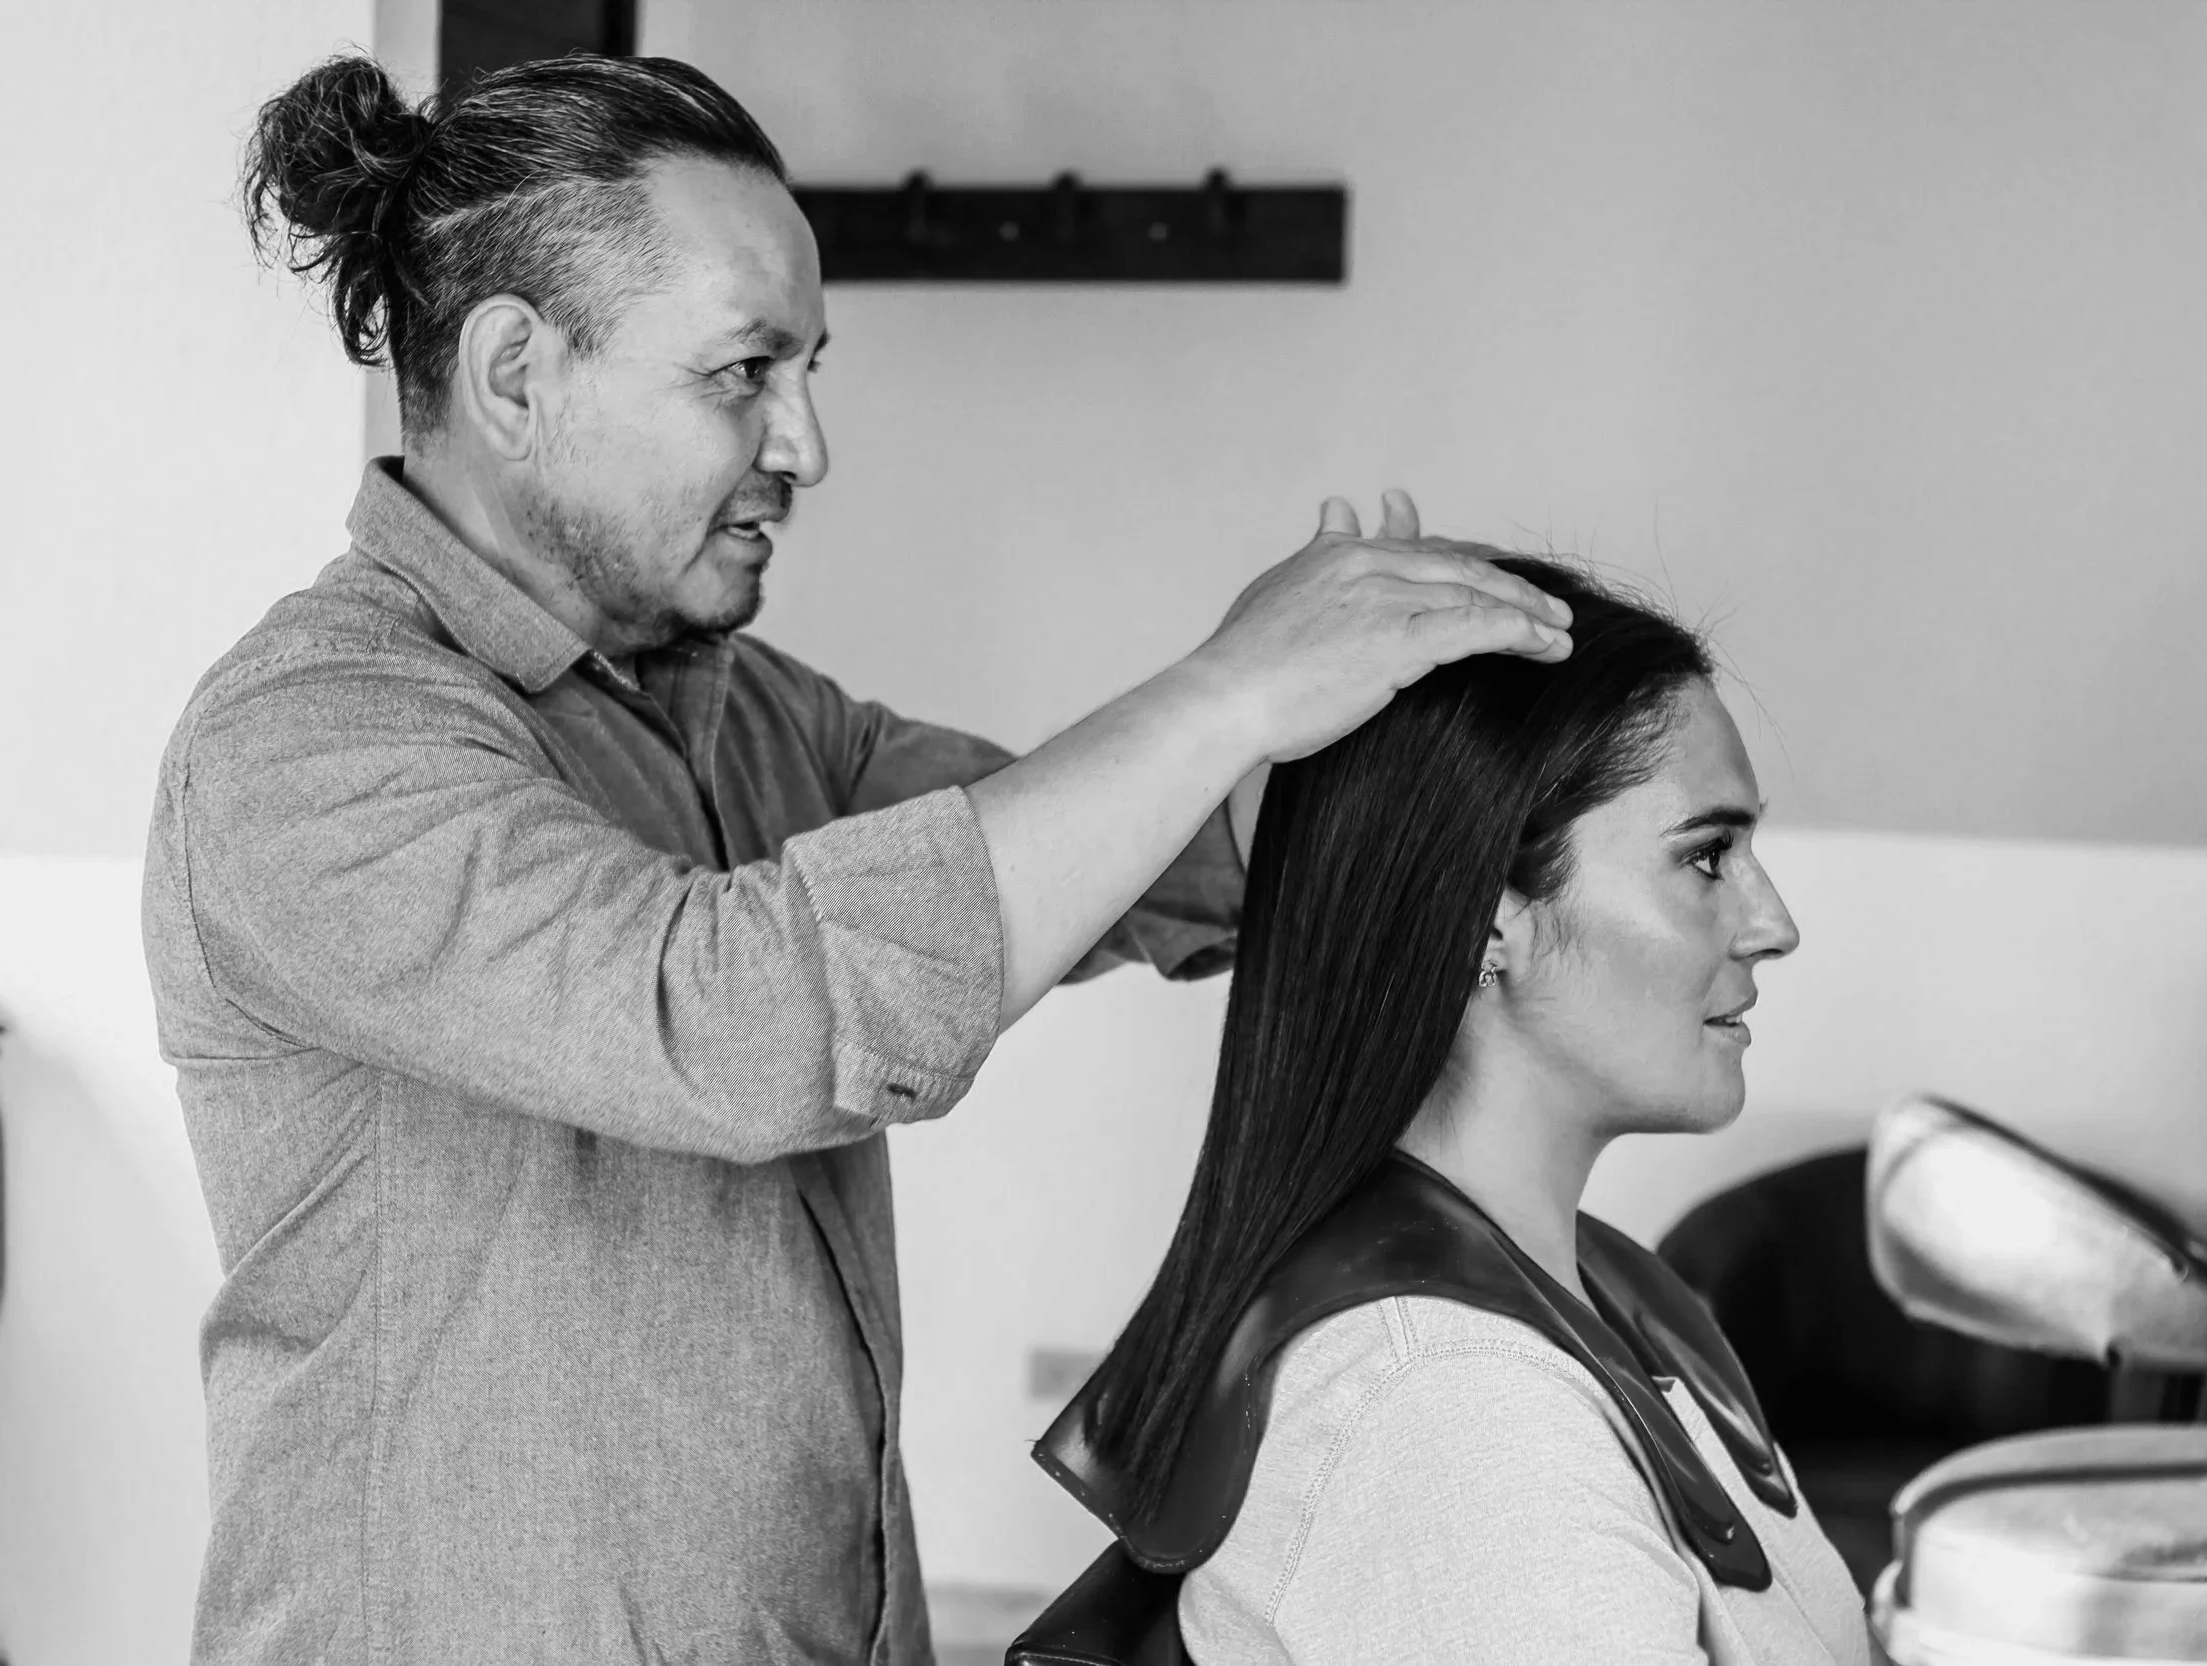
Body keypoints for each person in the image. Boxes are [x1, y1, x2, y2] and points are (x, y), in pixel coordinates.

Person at [138, 48, 1576, 1666]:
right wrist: (1227, 692)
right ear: (516, 374)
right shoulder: (310, 741)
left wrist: (1384, 757)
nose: (805, 445)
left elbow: (1103, 849)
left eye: (807, 370)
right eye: (742, 373)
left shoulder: (751, 717)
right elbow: (726, 1017)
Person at [1036, 560, 1869, 1663]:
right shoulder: (1453, 1408)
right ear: (1488, 917)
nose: (1773, 923)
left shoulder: (1616, 1291)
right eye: (1705, 856)